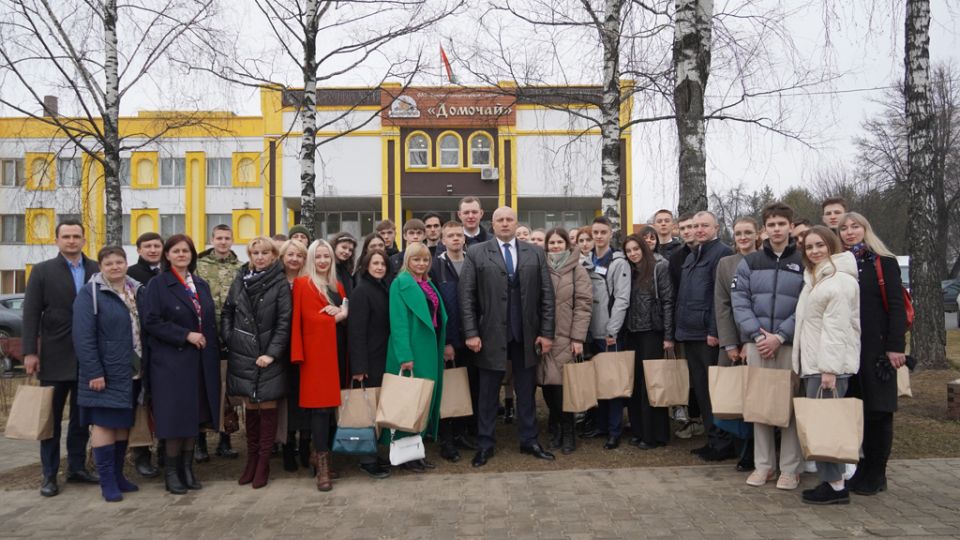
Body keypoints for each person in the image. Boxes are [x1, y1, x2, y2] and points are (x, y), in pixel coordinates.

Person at [460, 206, 556, 467]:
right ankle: (485, 444)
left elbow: (547, 296)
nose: (505, 224)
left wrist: (546, 333)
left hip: (526, 335)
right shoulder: (477, 252)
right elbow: (466, 296)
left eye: (509, 219)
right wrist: (471, 332)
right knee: (488, 393)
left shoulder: (535, 253)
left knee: (527, 392)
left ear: (516, 223)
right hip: (489, 335)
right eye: (500, 220)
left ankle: (529, 441)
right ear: (492, 224)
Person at [22, 218, 100, 497]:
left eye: (76, 236)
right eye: (66, 236)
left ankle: (77, 468)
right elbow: (30, 313)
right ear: (57, 240)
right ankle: (49, 474)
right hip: (54, 357)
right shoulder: (43, 271)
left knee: (82, 419)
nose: (71, 241)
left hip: (88, 358)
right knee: (51, 420)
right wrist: (30, 351)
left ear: (83, 240)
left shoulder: (96, 269)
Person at [732, 203, 805, 489]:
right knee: (760, 406)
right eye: (771, 225)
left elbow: (806, 304)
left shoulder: (801, 261)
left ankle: (790, 468)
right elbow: (740, 302)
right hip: (758, 344)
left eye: (781, 224)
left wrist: (781, 335)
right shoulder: (749, 262)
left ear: (790, 227)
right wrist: (758, 336)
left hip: (788, 344)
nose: (776, 229)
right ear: (765, 229)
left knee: (789, 407)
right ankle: (764, 466)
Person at [141, 234, 221, 495]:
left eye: (186, 251)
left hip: (199, 362)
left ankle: (188, 470)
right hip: (171, 363)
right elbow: (151, 321)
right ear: (167, 255)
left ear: (192, 255)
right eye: (176, 251)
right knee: (175, 419)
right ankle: (172, 473)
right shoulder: (158, 284)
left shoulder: (200, 284)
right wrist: (185, 335)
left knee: (194, 418)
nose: (181, 255)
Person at [789, 226, 861, 504]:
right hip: (815, 364)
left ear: (832, 245)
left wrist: (829, 369)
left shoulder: (839, 281)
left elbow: (836, 329)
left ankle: (835, 485)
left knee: (827, 426)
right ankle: (831, 482)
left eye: (820, 245)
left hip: (827, 367)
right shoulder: (817, 278)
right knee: (821, 425)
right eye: (809, 247)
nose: (815, 251)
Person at [839, 212, 907, 496]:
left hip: (877, 349)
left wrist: (895, 346)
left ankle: (878, 473)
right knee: (858, 411)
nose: (850, 232)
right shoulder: (842, 264)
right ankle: (863, 468)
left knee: (879, 412)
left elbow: (897, 306)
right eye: (844, 228)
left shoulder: (883, 262)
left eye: (855, 226)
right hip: (850, 349)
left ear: (866, 229)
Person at [71, 246, 141, 502]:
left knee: (122, 424)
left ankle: (119, 475)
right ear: (100, 267)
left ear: (126, 263)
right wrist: (94, 371)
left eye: (119, 262)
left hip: (132, 371)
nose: (114, 267)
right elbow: (83, 337)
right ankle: (107, 481)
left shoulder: (136, 290)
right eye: (108, 263)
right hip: (105, 372)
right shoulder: (90, 294)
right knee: (104, 424)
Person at [222, 236, 292, 489]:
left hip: (268, 356)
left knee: (268, 407)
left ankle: (263, 463)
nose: (260, 257)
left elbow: (285, 322)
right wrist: (230, 338)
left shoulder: (279, 282)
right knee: (250, 407)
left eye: (264, 252)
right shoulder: (240, 279)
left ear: (274, 255)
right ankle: (251, 461)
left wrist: (272, 353)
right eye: (255, 253)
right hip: (243, 353)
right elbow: (228, 310)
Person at [382, 242, 447, 472]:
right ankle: (405, 456)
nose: (421, 264)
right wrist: (405, 355)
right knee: (408, 402)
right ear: (407, 260)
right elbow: (398, 322)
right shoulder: (401, 283)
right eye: (416, 259)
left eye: (425, 260)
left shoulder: (427, 283)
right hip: (411, 350)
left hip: (429, 348)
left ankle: (416, 452)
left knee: (423, 402)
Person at [676, 211, 734, 460]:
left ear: (716, 228)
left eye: (704, 226)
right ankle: (712, 440)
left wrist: (714, 331)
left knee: (713, 391)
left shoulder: (721, 253)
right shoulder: (692, 255)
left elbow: (718, 298)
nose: (699, 230)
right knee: (701, 390)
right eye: (695, 226)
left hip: (707, 335)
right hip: (689, 332)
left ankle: (722, 443)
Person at [290, 240, 347, 491]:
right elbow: (309, 320)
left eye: (327, 257)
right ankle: (322, 463)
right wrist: (339, 316)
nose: (323, 261)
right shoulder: (303, 284)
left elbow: (344, 309)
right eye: (318, 257)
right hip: (316, 355)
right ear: (311, 259)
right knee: (320, 410)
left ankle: (320, 455)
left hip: (337, 352)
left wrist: (342, 312)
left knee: (332, 410)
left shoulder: (337, 284)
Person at [539, 228, 592, 455]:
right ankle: (555, 426)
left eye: (560, 242)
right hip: (544, 337)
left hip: (567, 337)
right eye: (552, 242)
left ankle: (568, 429)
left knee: (565, 387)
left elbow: (584, 304)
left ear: (567, 245)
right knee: (548, 385)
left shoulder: (577, 270)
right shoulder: (539, 268)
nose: (556, 246)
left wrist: (578, 337)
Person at [713, 216, 760, 471]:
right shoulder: (726, 264)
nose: (743, 237)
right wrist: (730, 343)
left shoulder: (765, 261)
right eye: (739, 232)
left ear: (757, 234)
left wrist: (753, 340)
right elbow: (721, 305)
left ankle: (754, 451)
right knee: (733, 395)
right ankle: (735, 446)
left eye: (747, 232)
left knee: (757, 396)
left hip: (759, 341)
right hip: (732, 340)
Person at [431, 221, 479, 462]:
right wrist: (447, 342)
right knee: (448, 388)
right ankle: (447, 440)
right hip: (449, 341)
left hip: (472, 338)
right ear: (443, 240)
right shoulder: (436, 268)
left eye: (459, 235)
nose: (456, 239)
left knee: (467, 386)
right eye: (450, 236)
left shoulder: (474, 262)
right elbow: (437, 308)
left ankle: (462, 433)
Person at [621, 234, 674, 450]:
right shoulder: (629, 271)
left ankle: (655, 434)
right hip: (632, 333)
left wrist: (669, 336)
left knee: (652, 384)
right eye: (628, 250)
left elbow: (668, 300)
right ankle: (640, 430)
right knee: (636, 385)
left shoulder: (658, 268)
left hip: (652, 332)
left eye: (636, 249)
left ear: (644, 248)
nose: (633, 253)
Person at [194, 224, 242, 461]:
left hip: (231, 335)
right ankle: (200, 441)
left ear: (233, 240)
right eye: (219, 238)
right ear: (212, 239)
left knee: (227, 390)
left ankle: (225, 439)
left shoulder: (240, 268)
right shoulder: (200, 267)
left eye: (227, 238)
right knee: (203, 387)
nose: (223, 242)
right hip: (205, 334)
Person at [586, 216, 631, 449]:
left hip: (609, 333)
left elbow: (622, 298)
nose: (599, 236)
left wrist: (613, 329)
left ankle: (615, 429)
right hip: (589, 332)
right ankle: (601, 425)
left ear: (610, 233)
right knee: (597, 382)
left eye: (603, 232)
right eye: (596, 232)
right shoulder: (587, 259)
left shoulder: (618, 262)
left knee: (613, 383)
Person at [347, 250, 392, 479]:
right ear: (366, 266)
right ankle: (367, 460)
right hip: (367, 362)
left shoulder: (382, 288)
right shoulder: (361, 291)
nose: (379, 267)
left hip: (382, 358)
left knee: (376, 411)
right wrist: (358, 368)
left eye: (382, 263)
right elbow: (356, 332)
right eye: (375, 263)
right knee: (367, 413)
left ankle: (373, 453)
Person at [123, 232, 164, 478]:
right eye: (147, 246)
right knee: (140, 402)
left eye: (156, 245)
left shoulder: (168, 272)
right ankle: (141, 454)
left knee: (161, 403)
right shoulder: (130, 275)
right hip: (137, 348)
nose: (152, 250)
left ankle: (164, 452)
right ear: (138, 249)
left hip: (163, 347)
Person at [279, 239, 312, 471]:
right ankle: (287, 446)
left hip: (306, 347)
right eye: (290, 254)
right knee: (287, 400)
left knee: (305, 399)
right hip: (280, 349)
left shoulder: (310, 282)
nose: (294, 259)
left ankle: (305, 444)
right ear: (283, 257)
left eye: (299, 256)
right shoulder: (275, 282)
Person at [331, 232, 357, 296]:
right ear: (335, 246)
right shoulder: (328, 268)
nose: (347, 252)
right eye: (344, 247)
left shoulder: (346, 270)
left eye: (350, 250)